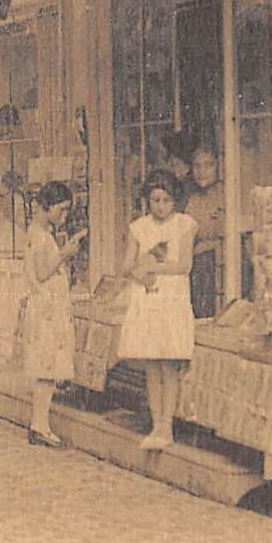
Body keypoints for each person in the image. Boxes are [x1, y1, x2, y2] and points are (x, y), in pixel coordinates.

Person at [117, 168, 198, 451]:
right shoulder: (139, 228)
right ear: (147, 201)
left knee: (169, 364)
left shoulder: (184, 225)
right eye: (155, 200)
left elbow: (184, 265)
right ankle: (155, 424)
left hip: (172, 299)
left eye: (165, 200)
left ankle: (168, 425)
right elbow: (126, 266)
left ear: (174, 199)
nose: (160, 206)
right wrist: (139, 272)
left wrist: (153, 265)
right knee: (152, 364)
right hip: (148, 300)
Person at [15, 181, 87, 448]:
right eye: (62, 209)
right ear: (47, 206)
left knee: (47, 368)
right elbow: (44, 272)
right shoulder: (41, 236)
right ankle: (40, 426)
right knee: (46, 370)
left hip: (47, 308)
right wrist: (65, 253)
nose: (64, 215)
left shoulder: (39, 232)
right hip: (46, 309)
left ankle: (40, 423)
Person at [184, 146, 225, 319]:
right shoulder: (194, 199)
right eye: (197, 166)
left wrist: (209, 244)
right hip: (201, 268)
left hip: (224, 267)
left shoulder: (226, 193)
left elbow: (235, 232)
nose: (202, 172)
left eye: (208, 165)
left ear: (218, 166)